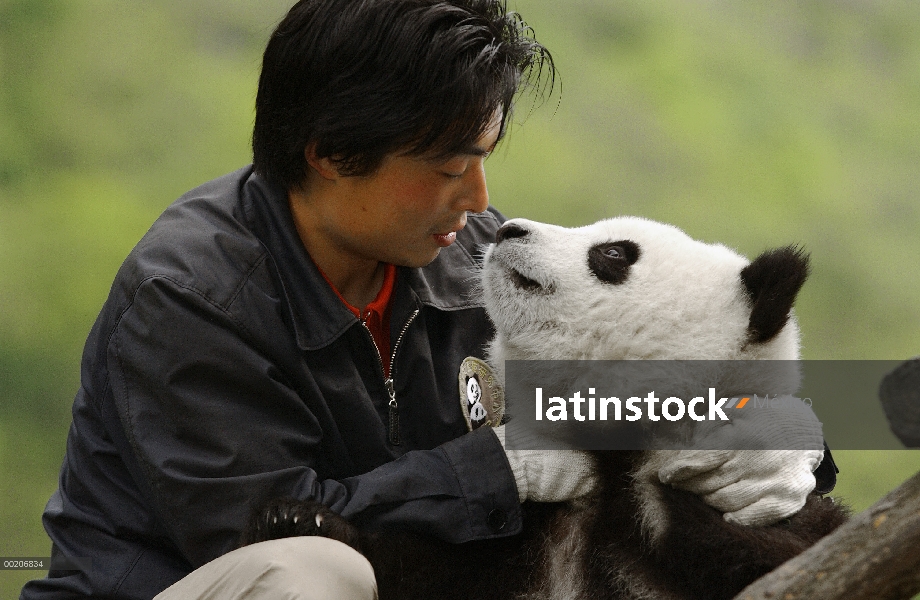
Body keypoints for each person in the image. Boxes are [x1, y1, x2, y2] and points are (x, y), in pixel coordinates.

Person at [21, 1, 831, 599]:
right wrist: (503, 470)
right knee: (313, 573)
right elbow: (273, 526)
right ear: (333, 151)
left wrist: (774, 437)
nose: (480, 198)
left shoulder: (465, 253)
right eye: (450, 168)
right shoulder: (188, 299)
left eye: (485, 158)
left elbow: (630, 376)